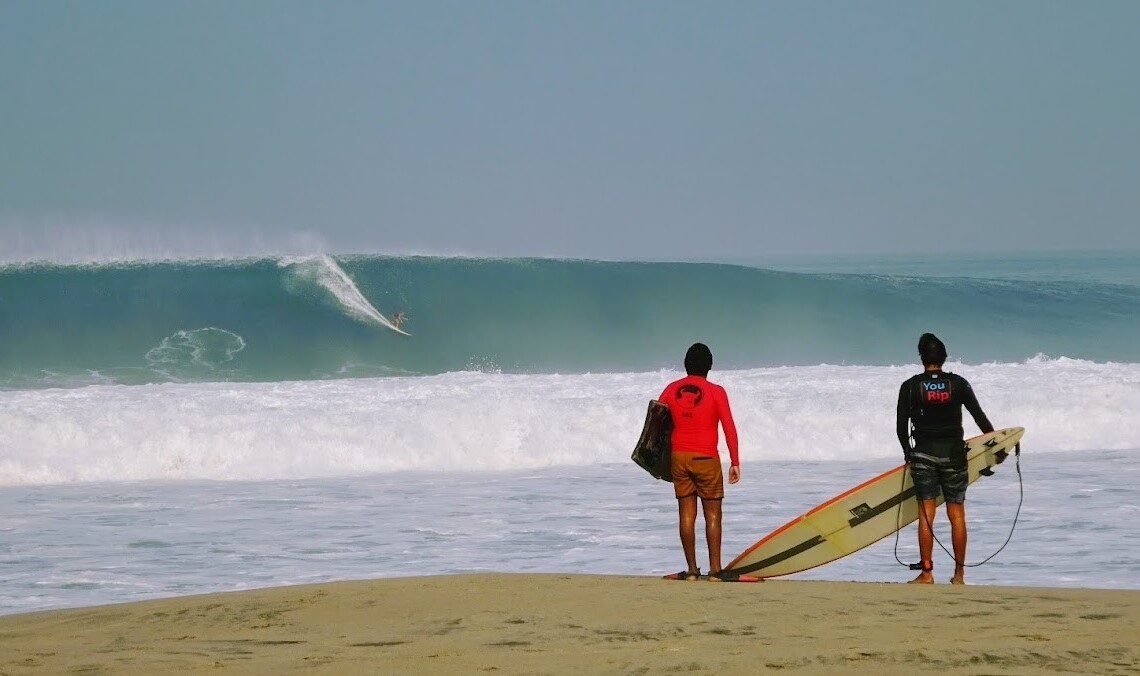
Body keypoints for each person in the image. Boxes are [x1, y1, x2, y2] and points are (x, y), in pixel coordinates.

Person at [896, 333, 993, 585]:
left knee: (926, 513)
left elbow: (900, 427)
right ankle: (959, 575)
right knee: (957, 513)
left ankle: (927, 573)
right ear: (944, 357)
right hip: (953, 455)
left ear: (921, 358)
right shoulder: (959, 384)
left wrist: (909, 453)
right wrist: (991, 449)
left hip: (923, 455)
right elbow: (980, 418)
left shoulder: (910, 386)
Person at [658, 343, 741, 581]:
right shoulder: (716, 391)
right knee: (713, 514)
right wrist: (735, 461)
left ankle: (692, 570)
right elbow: (729, 428)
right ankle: (715, 571)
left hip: (679, 457)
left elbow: (656, 421)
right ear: (710, 366)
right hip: (706, 458)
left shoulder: (671, 389)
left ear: (686, 365)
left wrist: (655, 460)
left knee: (686, 514)